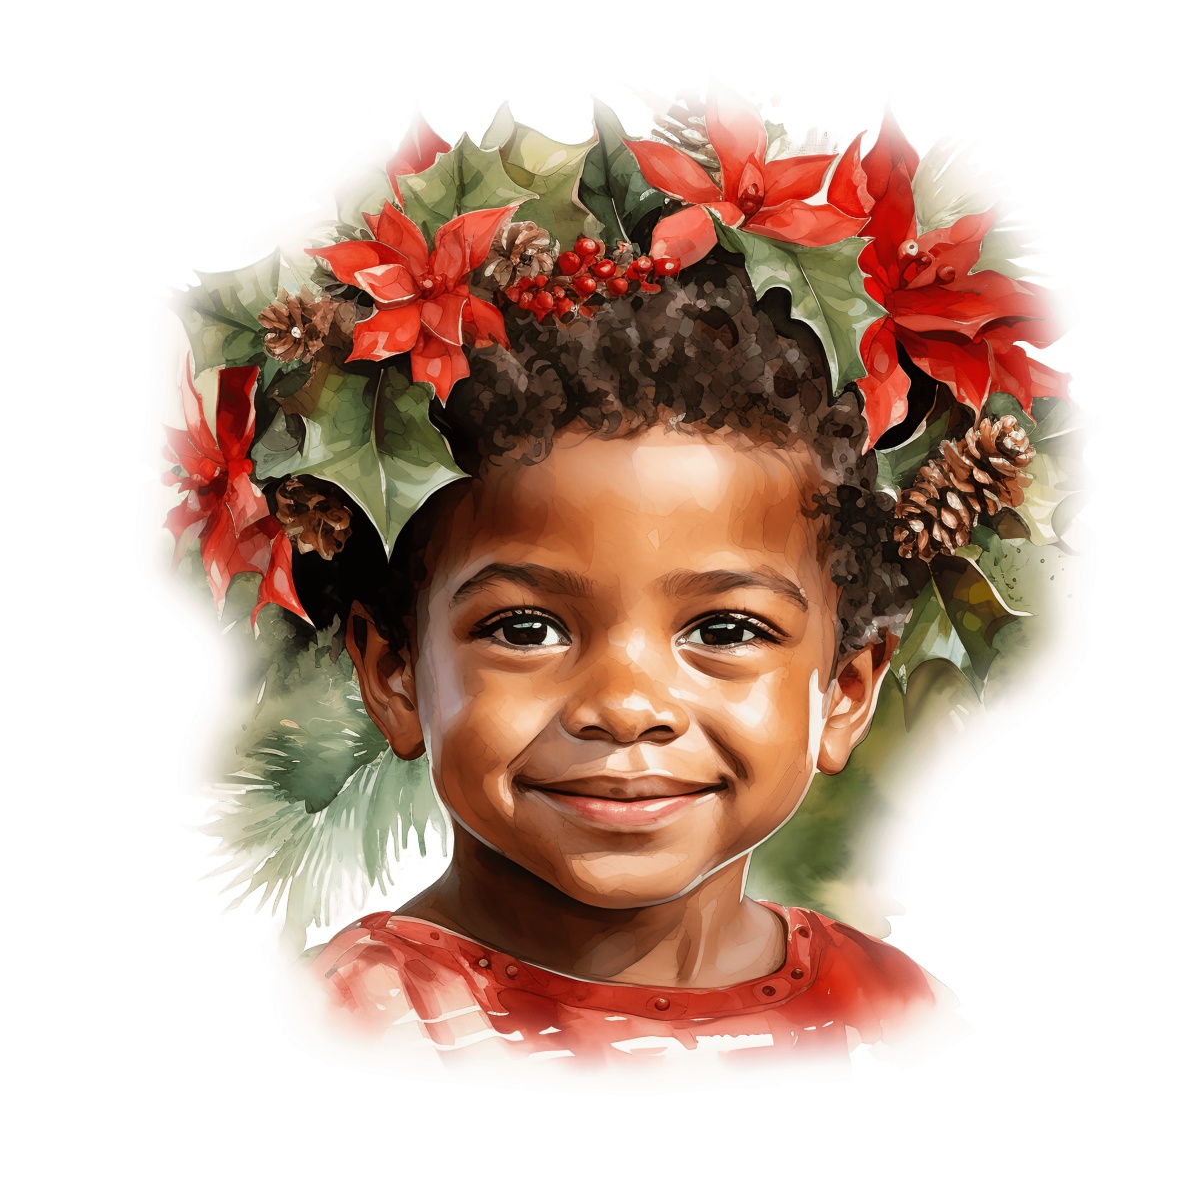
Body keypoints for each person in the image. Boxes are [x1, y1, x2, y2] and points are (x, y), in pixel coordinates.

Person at [167, 92, 1065, 1064]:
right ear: (394, 674)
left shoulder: (905, 1023)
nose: (627, 708)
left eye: (724, 630)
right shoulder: (335, 1039)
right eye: (525, 628)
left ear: (845, 688)